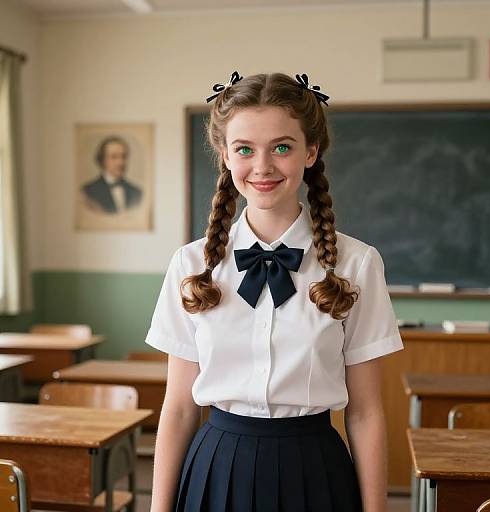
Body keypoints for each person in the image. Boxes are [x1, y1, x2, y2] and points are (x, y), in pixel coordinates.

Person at [144, 70, 404, 512]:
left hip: (315, 470)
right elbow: (179, 410)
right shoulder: (190, 265)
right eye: (244, 149)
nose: (262, 167)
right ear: (225, 155)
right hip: (215, 467)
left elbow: (365, 412)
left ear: (311, 152)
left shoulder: (358, 263)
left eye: (281, 147)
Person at [80, 135, 142, 214]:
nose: (120, 162)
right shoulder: (87, 192)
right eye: (114, 157)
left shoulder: (136, 192)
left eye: (123, 156)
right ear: (102, 160)